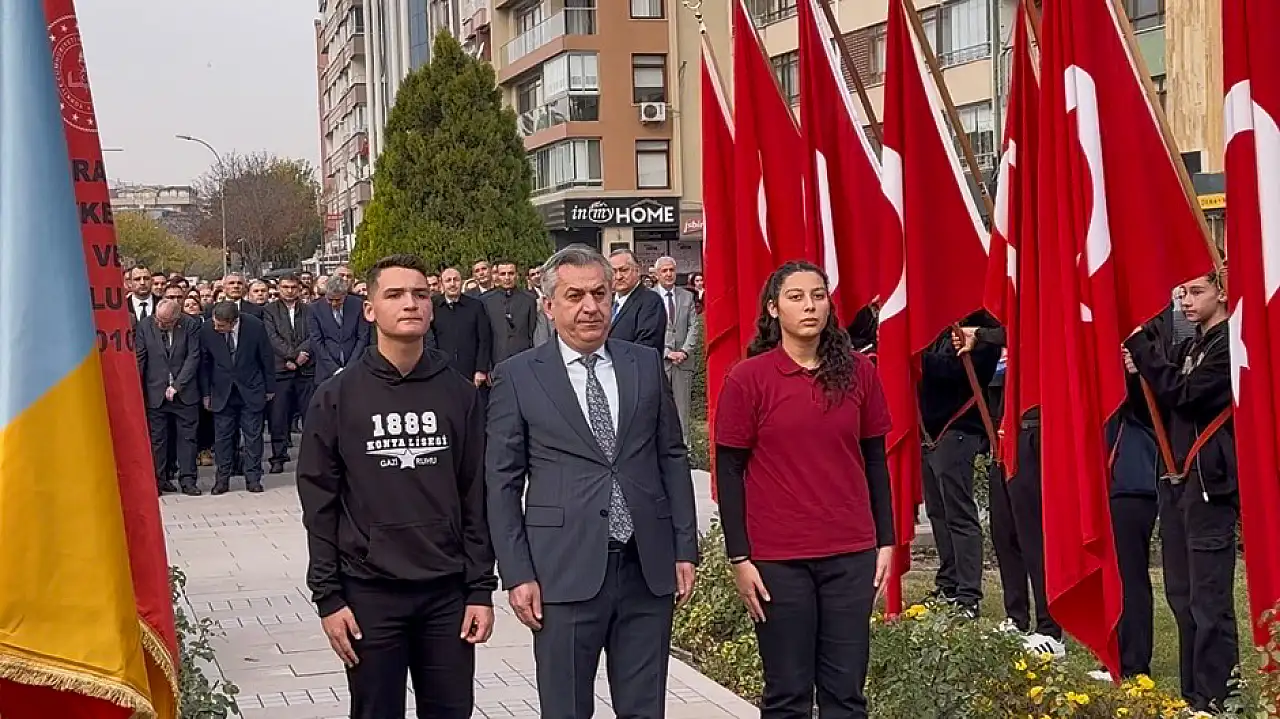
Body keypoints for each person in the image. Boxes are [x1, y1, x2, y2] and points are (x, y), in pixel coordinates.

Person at [485, 245, 699, 719]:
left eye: (599, 293)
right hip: (562, 573)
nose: (590, 306)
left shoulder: (644, 363)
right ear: (549, 305)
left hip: (646, 568)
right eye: (575, 295)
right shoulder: (518, 377)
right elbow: (501, 484)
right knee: (566, 709)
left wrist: (685, 547)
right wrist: (517, 573)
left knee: (645, 710)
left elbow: (671, 455)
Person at [297, 254, 496, 719]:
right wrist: (329, 597)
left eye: (420, 294)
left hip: (446, 594)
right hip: (369, 594)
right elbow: (319, 503)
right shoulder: (336, 396)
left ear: (431, 307)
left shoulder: (459, 393)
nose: (410, 303)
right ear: (369, 310)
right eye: (395, 294)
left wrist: (480, 590)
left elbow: (476, 495)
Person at [714, 262, 894, 719]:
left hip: (849, 553)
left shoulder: (857, 372)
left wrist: (887, 541)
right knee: (788, 694)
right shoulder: (748, 378)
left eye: (817, 295)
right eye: (795, 297)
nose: (809, 306)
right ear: (773, 309)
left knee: (846, 694)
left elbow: (876, 459)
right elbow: (729, 472)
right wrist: (739, 557)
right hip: (778, 558)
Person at [1124, 268, 1238, 712]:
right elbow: (1158, 409)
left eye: (1196, 291)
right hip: (1178, 482)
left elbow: (1188, 394)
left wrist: (1143, 350)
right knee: (1183, 596)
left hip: (1211, 484)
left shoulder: (1230, 342)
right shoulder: (1191, 344)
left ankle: (1217, 697)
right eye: (1181, 294)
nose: (1186, 301)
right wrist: (1139, 376)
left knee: (1210, 600)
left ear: (1222, 292)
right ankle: (1193, 692)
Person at [200, 301, 275, 494]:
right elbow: (205, 363)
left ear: (233, 322)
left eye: (221, 326)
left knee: (252, 437)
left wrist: (270, 387)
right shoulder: (208, 329)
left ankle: (253, 478)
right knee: (223, 438)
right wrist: (206, 394)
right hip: (222, 391)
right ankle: (222, 480)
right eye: (215, 323)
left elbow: (266, 357)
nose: (216, 328)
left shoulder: (254, 326)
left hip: (251, 389)